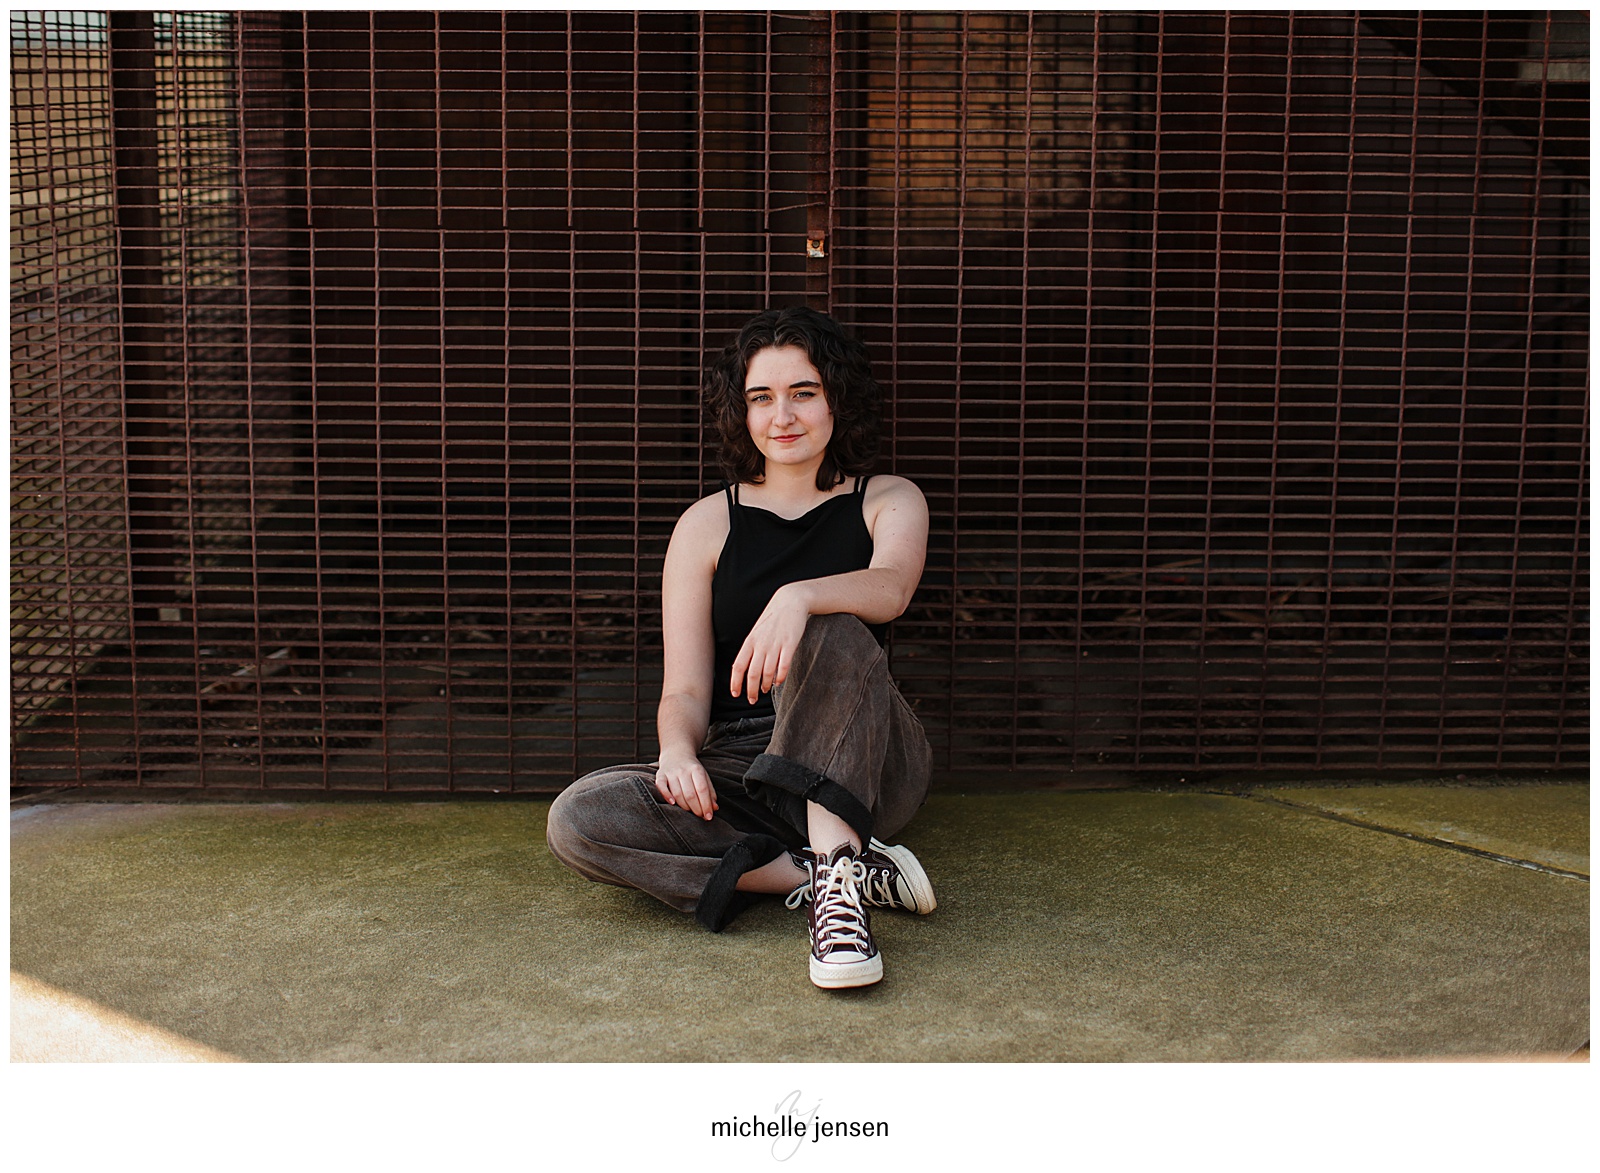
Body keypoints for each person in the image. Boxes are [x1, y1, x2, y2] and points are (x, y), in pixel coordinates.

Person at [546, 305, 935, 990]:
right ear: (743, 410)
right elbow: (685, 689)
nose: (782, 415)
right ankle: (827, 872)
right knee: (577, 820)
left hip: (864, 754)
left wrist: (800, 596)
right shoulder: (705, 524)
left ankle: (839, 909)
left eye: (803, 392)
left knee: (830, 625)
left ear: (837, 399)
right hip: (745, 764)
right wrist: (676, 752)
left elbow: (892, 587)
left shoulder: (887, 498)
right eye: (761, 397)